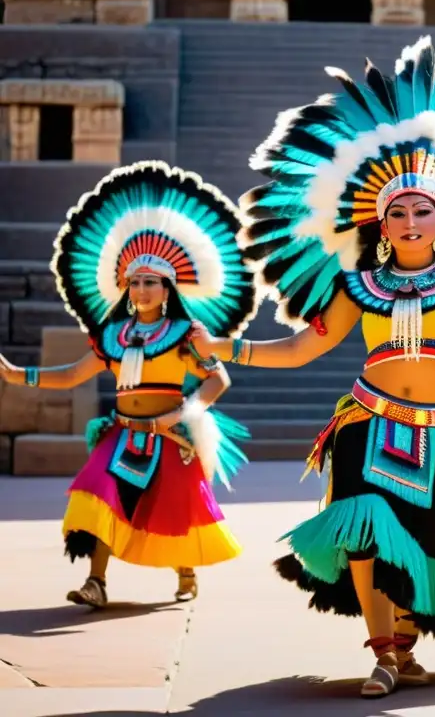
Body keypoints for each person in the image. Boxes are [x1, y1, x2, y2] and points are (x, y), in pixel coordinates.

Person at [190, 36, 435, 698]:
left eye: (421, 211)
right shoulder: (357, 287)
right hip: (365, 423)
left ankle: (404, 648)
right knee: (368, 531)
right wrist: (227, 348)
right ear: (381, 226)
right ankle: (380, 653)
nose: (408, 219)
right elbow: (302, 348)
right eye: (396, 212)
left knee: (433, 538)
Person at [0, 161, 258, 608]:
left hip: (172, 435)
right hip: (121, 433)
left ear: (167, 288)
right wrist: (20, 375)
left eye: (150, 283)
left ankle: (185, 568)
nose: (140, 289)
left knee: (176, 511)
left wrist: (182, 414)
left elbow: (219, 378)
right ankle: (96, 581)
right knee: (98, 494)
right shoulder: (112, 335)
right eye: (134, 282)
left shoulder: (185, 332)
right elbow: (73, 374)